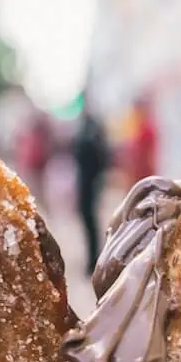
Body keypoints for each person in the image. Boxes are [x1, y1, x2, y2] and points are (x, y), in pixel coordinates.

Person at [73, 109, 110, 272]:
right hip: (89, 183)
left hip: (89, 183)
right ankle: (92, 258)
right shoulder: (93, 136)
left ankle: (93, 259)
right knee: (90, 221)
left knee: (90, 221)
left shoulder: (89, 136)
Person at [125, 95, 159, 186]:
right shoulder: (138, 127)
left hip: (144, 172)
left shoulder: (147, 130)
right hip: (136, 171)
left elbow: (150, 155)